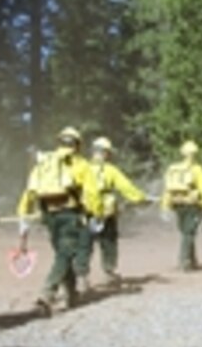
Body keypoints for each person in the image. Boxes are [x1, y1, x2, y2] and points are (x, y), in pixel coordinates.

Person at [17, 127, 103, 313]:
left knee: (64, 253)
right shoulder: (81, 164)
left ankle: (71, 294)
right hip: (70, 214)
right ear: (78, 145)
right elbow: (92, 193)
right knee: (64, 255)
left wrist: (23, 214)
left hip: (49, 216)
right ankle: (47, 294)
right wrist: (96, 214)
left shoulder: (44, 163)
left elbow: (29, 192)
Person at [88, 136, 148, 284]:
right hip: (106, 213)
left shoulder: (83, 168)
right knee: (109, 243)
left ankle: (81, 274)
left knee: (85, 245)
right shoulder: (110, 170)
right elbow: (126, 188)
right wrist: (140, 198)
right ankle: (109, 271)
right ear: (106, 153)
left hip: (86, 212)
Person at [160, 140, 202, 271]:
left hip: (177, 204)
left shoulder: (173, 169)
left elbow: (167, 190)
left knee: (186, 232)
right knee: (189, 233)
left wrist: (165, 206)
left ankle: (192, 260)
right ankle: (184, 261)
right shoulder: (197, 169)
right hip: (191, 205)